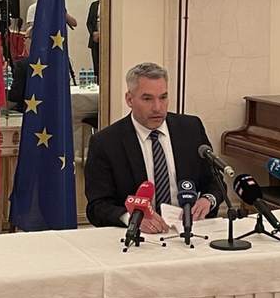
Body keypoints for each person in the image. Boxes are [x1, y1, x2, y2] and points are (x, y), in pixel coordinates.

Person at [84, 62, 223, 233]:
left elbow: (215, 181)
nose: (157, 107)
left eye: (163, 97)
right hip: (137, 236)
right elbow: (98, 206)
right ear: (130, 99)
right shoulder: (105, 143)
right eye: (148, 99)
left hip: (188, 230)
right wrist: (133, 219)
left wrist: (208, 200)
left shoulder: (191, 129)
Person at [8, 27, 32, 112]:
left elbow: (16, 95)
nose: (24, 42)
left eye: (25, 39)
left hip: (27, 111)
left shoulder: (22, 65)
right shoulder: (57, 66)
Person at [86, 0, 100, 80]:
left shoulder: (112, 4)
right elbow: (89, 22)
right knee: (96, 61)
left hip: (108, 37)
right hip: (95, 39)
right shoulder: (94, 5)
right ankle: (97, 81)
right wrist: (93, 33)